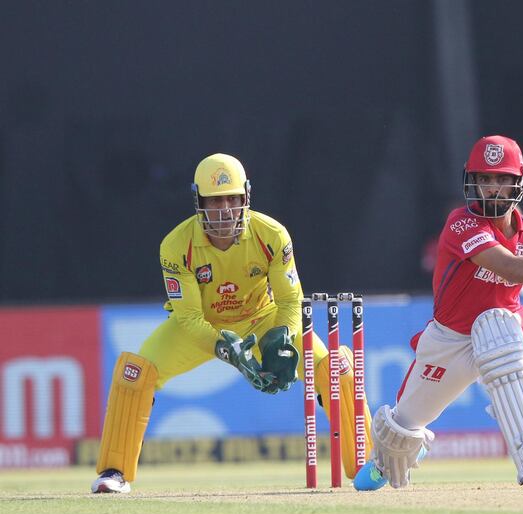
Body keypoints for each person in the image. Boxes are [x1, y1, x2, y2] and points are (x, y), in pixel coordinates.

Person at [354, 135, 523, 491]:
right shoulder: (461, 224)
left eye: (502, 179)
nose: (493, 189)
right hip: (449, 338)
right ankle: (393, 457)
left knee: (498, 328)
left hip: (503, 330)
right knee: (399, 434)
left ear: (518, 182)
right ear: (473, 181)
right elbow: (510, 268)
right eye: (485, 179)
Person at [92, 153, 372, 493]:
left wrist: (281, 337)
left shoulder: (272, 235)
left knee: (334, 366)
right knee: (135, 372)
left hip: (263, 317)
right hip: (201, 328)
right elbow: (189, 318)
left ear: (245, 198)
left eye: (232, 199)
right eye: (215, 200)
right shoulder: (176, 246)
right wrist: (227, 350)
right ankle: (113, 472)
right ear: (199, 201)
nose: (224, 210)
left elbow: (289, 302)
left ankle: (368, 463)